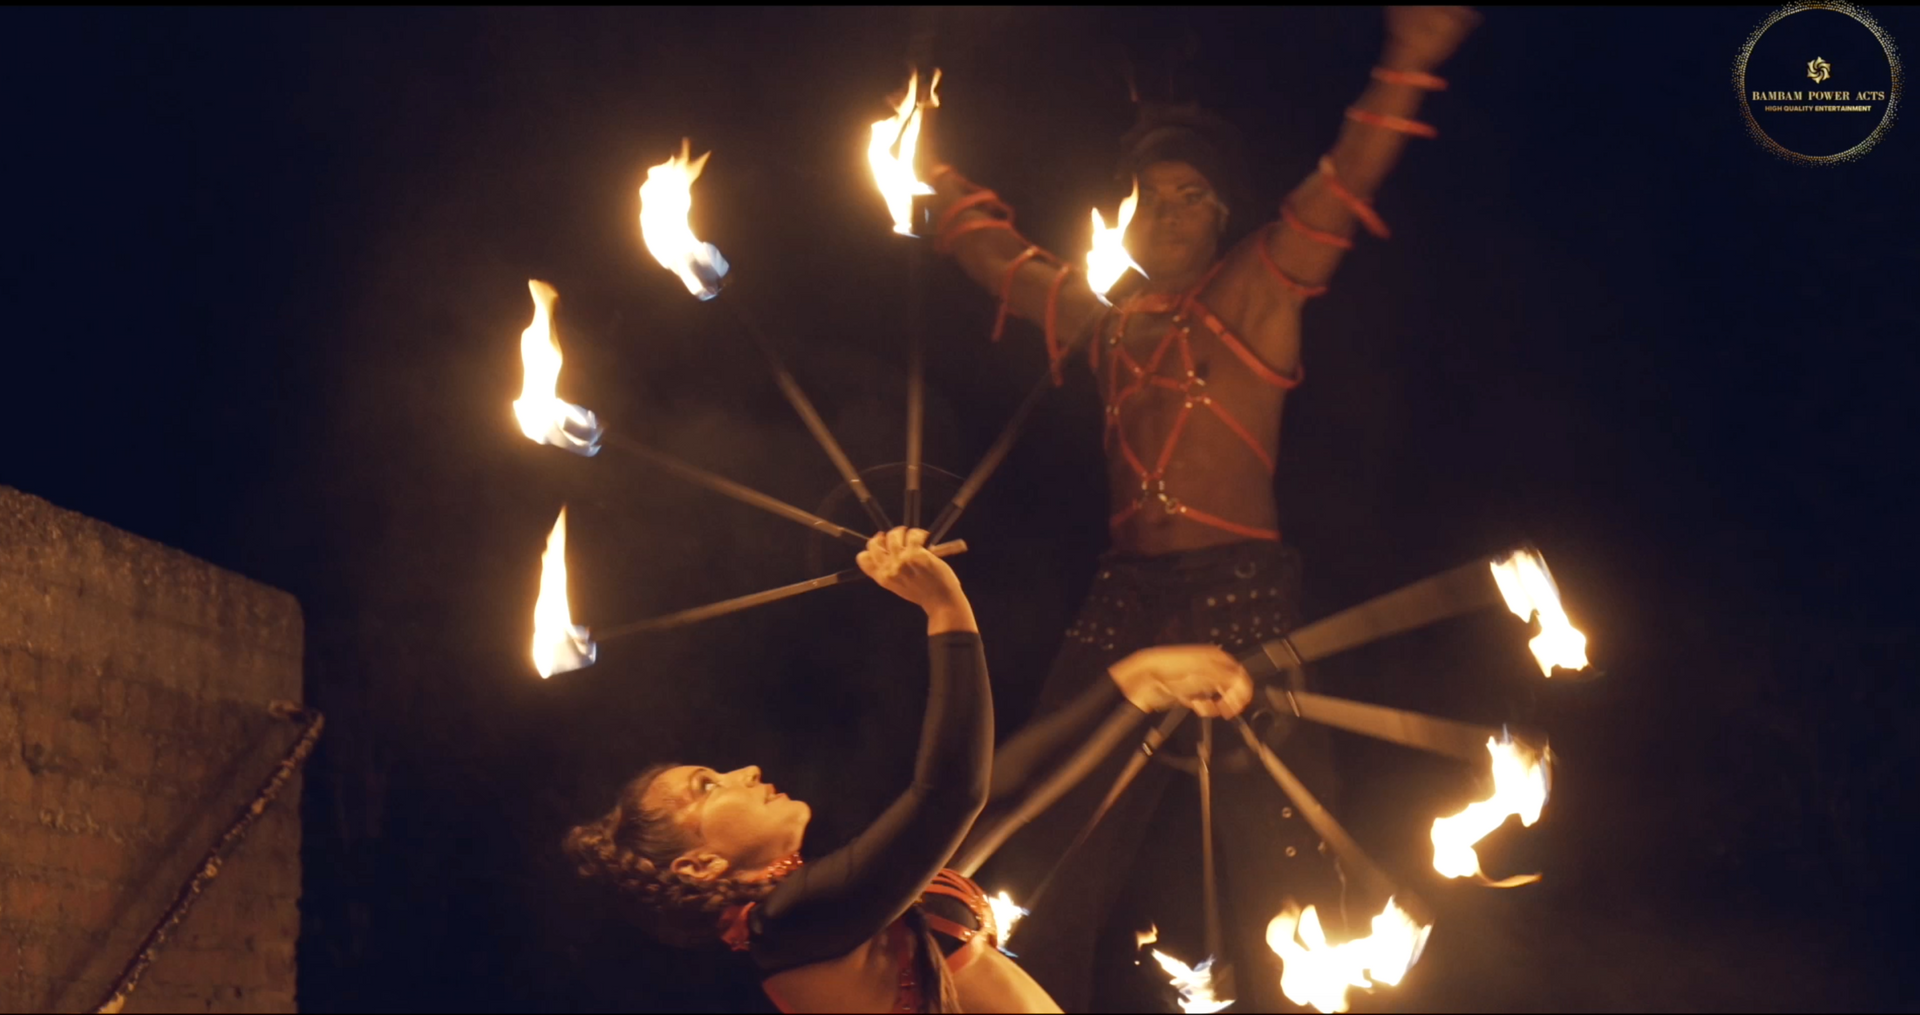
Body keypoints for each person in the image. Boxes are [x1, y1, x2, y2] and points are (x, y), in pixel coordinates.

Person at [922, 7, 1482, 1010]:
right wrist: (925, 172)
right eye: (1148, 196)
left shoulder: (1260, 289)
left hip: (1241, 597)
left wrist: (1409, 57)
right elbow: (994, 256)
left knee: (1284, 860)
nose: (1166, 211)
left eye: (1190, 195)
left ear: (1222, 216)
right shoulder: (1106, 318)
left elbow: (1341, 187)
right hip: (1122, 600)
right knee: (1052, 837)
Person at [563, 527, 1258, 1014]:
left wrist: (1133, 684)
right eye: (707, 786)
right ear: (697, 868)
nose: (743, 769)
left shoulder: (842, 908)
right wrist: (946, 608)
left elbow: (994, 799)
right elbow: (951, 792)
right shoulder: (788, 926)